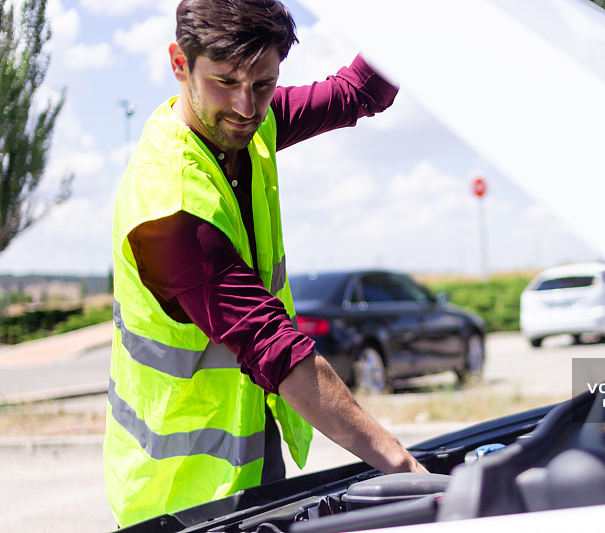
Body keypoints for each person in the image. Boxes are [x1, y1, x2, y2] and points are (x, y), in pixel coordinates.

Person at [104, 0, 426, 526]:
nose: (246, 108)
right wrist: (401, 464)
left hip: (251, 460)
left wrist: (414, 23)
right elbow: (275, 348)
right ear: (179, 63)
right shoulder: (169, 207)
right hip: (179, 498)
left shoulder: (249, 126)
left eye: (263, 84)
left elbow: (358, 92)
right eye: (225, 81)